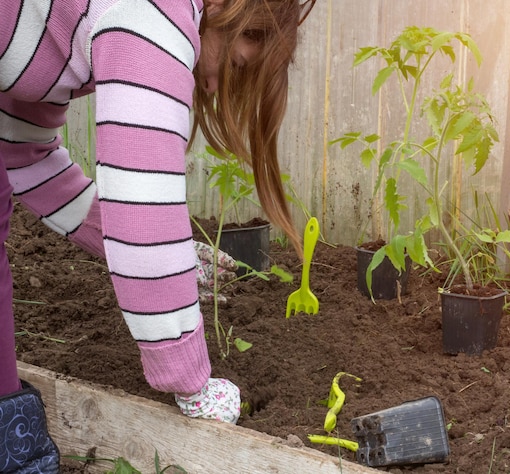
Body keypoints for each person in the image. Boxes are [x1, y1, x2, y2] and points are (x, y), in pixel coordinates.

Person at [0, 0, 315, 471]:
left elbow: (24, 153)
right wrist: (191, 381)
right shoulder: (154, 11)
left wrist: (181, 258)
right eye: (233, 65)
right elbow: (142, 209)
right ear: (232, 15)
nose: (209, 84)